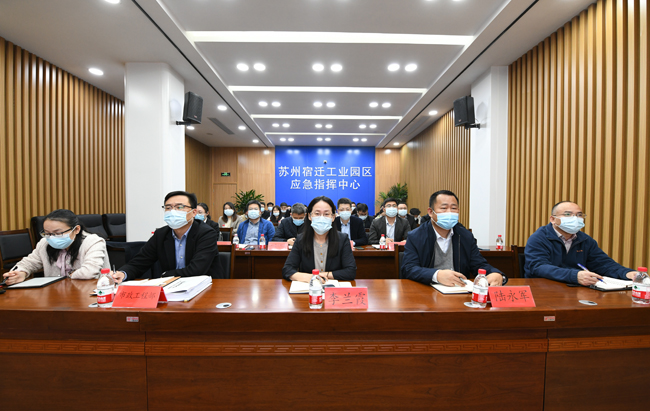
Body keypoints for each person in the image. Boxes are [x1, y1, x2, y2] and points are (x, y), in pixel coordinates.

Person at [401, 190, 506, 287]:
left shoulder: (465, 236)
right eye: (444, 208)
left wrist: (496, 274)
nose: (449, 212)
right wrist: (436, 275)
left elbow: (479, 264)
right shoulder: (416, 236)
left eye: (454, 208)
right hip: (426, 291)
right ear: (430, 212)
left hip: (459, 291)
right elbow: (408, 268)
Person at [111, 191, 221, 282]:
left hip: (205, 287)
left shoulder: (206, 233)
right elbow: (140, 261)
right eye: (168, 208)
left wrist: (165, 275)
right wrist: (123, 273)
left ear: (194, 212)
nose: (173, 211)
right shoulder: (161, 234)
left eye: (180, 207)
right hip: (171, 288)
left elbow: (196, 270)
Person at [524, 201, 638, 285]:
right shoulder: (539, 238)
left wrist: (627, 273)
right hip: (543, 287)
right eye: (568, 214)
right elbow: (538, 267)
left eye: (579, 215)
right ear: (553, 219)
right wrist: (575, 275)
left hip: (575, 288)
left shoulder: (585, 240)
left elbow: (603, 264)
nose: (575, 218)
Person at [2, 209, 110, 285]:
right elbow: (29, 262)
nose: (52, 237)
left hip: (90, 293)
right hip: (54, 295)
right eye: (47, 233)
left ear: (76, 229)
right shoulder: (45, 243)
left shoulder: (93, 242)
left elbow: (89, 272)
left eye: (58, 233)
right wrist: (21, 273)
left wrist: (68, 275)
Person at [282, 196, 356, 282]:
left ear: (333, 217)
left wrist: (324, 275)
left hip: (332, 288)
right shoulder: (301, 239)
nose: (321, 218)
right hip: (308, 287)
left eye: (326, 214)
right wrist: (310, 277)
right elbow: (287, 270)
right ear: (309, 216)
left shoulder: (342, 239)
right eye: (317, 214)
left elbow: (350, 271)